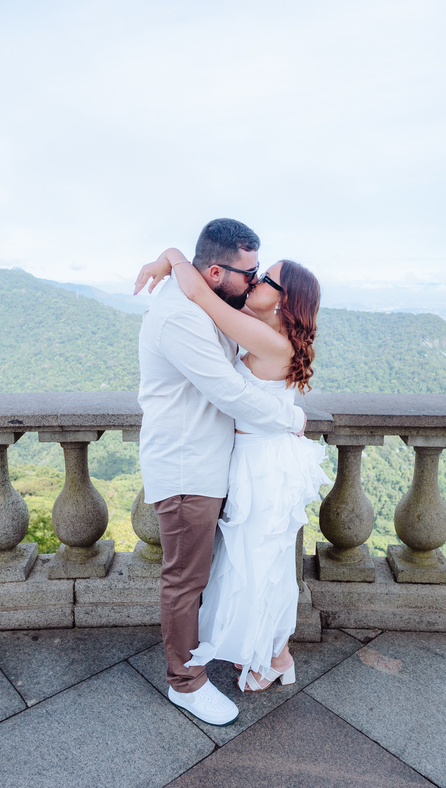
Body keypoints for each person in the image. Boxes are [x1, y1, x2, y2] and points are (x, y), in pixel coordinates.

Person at [135, 219, 308, 727]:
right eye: (249, 273)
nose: (254, 282)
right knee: (186, 579)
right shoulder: (181, 319)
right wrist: (291, 418)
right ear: (215, 271)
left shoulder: (208, 300)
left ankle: (246, 651)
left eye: (261, 275)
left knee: (221, 571)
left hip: (218, 463)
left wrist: (169, 255)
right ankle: (185, 684)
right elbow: (228, 393)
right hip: (189, 467)